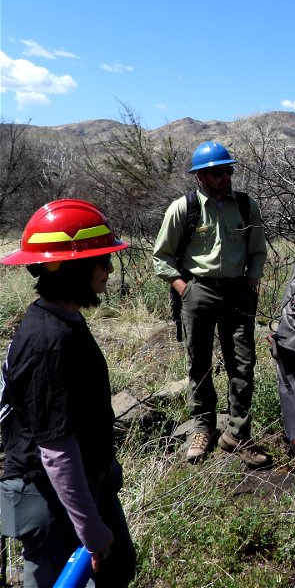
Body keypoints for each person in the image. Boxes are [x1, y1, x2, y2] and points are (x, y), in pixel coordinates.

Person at [0, 199, 137, 587]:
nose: (109, 269)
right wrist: (91, 531)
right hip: (52, 502)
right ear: (73, 266)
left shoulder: (62, 319)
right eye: (101, 260)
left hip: (79, 495)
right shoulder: (48, 342)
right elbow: (56, 451)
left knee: (119, 567)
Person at [152, 140, 269, 467]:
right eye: (218, 172)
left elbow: (258, 250)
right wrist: (183, 288)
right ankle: (202, 428)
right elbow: (161, 257)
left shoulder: (246, 206)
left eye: (228, 170)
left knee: (243, 364)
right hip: (197, 291)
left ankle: (237, 433)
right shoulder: (183, 208)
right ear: (201, 176)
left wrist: (251, 283)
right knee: (198, 362)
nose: (225, 177)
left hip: (237, 291)